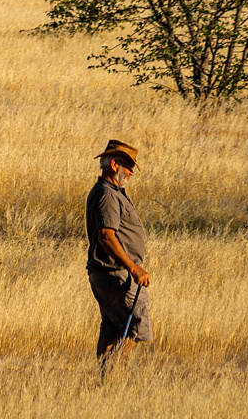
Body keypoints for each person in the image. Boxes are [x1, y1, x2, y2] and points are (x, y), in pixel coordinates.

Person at [86, 138, 150, 358]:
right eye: (129, 167)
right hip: (116, 275)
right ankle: (113, 373)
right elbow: (106, 236)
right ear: (115, 165)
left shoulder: (108, 191)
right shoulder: (108, 195)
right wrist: (134, 268)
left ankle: (104, 381)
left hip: (108, 274)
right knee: (138, 327)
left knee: (112, 328)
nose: (131, 173)